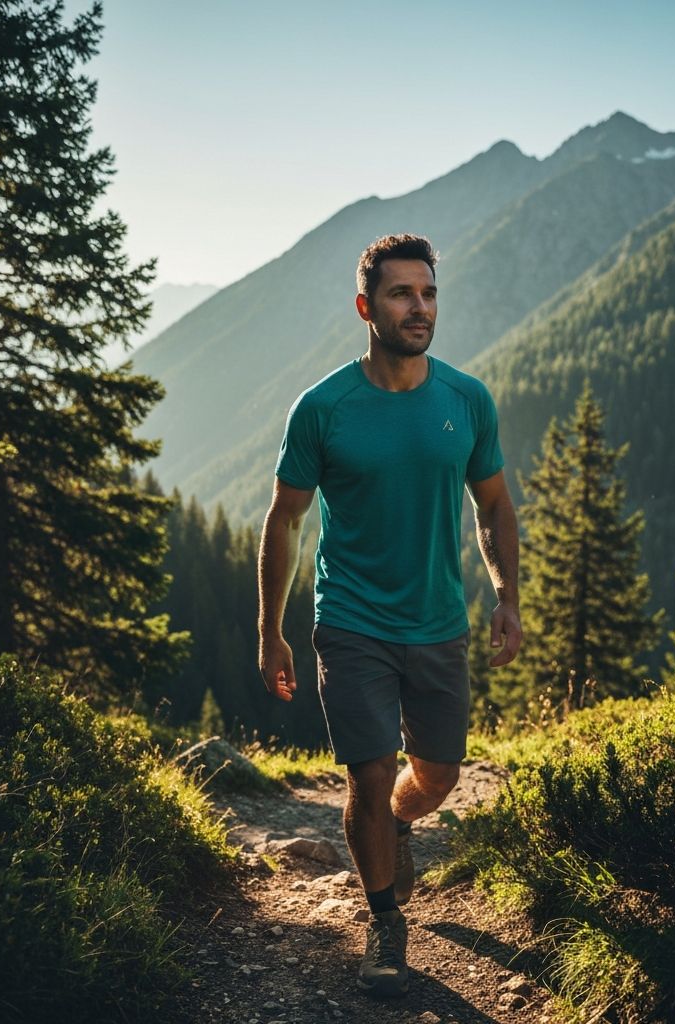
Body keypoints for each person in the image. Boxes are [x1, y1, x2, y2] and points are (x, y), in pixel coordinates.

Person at [257, 233, 522, 997]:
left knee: (435, 775)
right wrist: (270, 630)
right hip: (351, 620)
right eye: (403, 293)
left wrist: (507, 596)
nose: (420, 307)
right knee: (369, 775)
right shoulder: (323, 407)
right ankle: (383, 920)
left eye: (429, 293)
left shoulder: (466, 399)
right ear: (366, 306)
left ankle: (400, 824)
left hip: (440, 622)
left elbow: (495, 505)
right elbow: (284, 520)